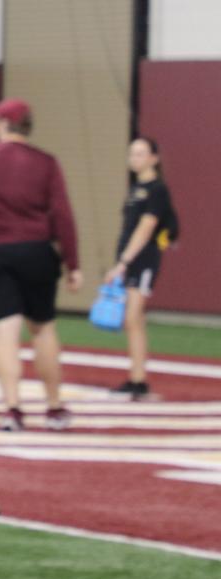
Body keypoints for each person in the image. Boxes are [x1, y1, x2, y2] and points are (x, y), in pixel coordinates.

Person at [0, 99, 82, 432]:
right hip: (36, 250)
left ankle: (13, 409)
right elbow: (63, 216)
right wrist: (72, 263)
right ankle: (53, 407)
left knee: (5, 330)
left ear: (6, 124)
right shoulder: (46, 163)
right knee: (43, 327)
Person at [104, 137, 175, 400]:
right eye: (132, 153)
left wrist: (123, 262)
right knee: (133, 320)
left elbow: (146, 229)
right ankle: (136, 377)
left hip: (143, 261)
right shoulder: (136, 188)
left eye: (140, 154)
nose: (134, 158)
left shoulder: (157, 190)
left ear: (154, 158)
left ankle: (139, 381)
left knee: (132, 318)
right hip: (131, 260)